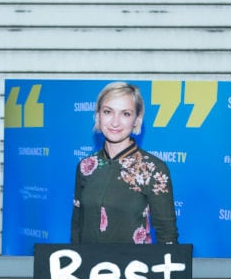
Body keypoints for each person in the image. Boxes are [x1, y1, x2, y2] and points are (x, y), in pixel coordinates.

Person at [70, 81, 178, 244]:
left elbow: (167, 236)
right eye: (108, 112)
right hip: (89, 267)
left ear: (137, 119)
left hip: (136, 268)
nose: (115, 122)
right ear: (98, 115)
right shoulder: (85, 167)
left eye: (125, 114)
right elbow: (77, 229)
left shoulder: (154, 169)